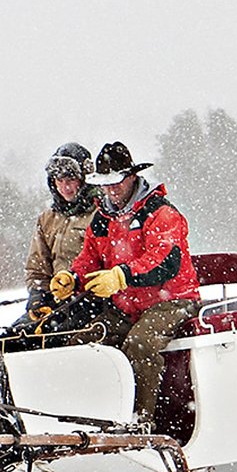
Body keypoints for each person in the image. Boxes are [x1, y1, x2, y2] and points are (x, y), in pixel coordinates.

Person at [48, 141, 201, 422]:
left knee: (140, 343)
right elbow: (89, 258)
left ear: (132, 177)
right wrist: (73, 278)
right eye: (104, 184)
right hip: (128, 306)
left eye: (116, 182)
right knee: (84, 342)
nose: (111, 189)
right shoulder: (102, 219)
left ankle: (143, 419)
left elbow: (165, 262)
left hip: (174, 302)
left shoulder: (162, 213)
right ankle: (94, 416)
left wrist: (122, 276)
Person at [23, 142, 97, 313]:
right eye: (59, 180)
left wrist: (76, 283)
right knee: (12, 338)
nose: (65, 187)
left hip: (91, 302)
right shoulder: (47, 219)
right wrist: (38, 296)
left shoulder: (101, 215)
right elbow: (37, 267)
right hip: (55, 303)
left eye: (71, 180)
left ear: (84, 180)